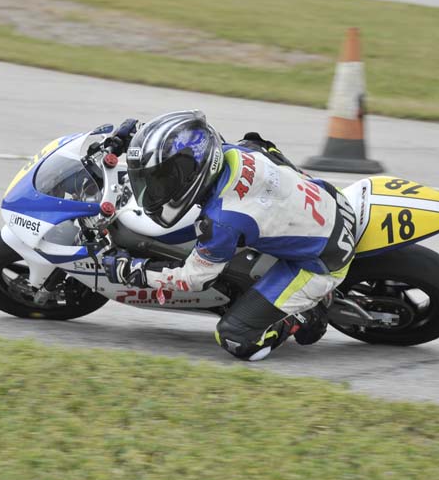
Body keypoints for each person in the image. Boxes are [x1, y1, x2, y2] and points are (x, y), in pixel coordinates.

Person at [102, 110, 357, 361]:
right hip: (332, 199)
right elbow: (187, 142)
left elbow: (192, 280)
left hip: (323, 261)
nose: (156, 188)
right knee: (256, 144)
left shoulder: (222, 220)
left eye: (162, 181)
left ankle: (303, 315)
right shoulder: (230, 152)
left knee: (235, 338)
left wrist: (135, 270)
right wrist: (139, 141)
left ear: (190, 176)